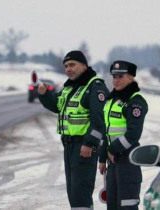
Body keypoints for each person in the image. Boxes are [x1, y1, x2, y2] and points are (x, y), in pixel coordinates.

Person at [37, 50, 110, 209]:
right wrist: (44, 95)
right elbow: (58, 106)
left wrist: (89, 143)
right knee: (73, 192)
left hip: (83, 146)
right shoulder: (70, 88)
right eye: (66, 66)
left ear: (84, 65)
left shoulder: (94, 87)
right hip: (69, 146)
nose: (68, 69)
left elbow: (100, 121)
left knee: (80, 192)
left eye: (72, 65)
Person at [98, 60, 148, 210]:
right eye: (114, 76)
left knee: (127, 206)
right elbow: (106, 131)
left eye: (120, 76)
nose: (116, 80)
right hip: (113, 162)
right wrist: (102, 158)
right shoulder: (112, 100)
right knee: (112, 205)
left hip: (128, 162)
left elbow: (133, 134)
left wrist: (112, 149)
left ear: (131, 77)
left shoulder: (135, 102)